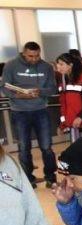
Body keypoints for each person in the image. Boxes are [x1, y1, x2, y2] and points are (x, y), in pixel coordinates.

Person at [2, 42, 57, 188]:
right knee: (24, 147)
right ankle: (28, 179)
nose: (34, 59)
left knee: (46, 147)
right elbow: (4, 88)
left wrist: (41, 92)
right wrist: (18, 95)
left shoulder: (46, 67)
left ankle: (51, 177)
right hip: (19, 112)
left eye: (37, 55)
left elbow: (53, 88)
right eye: (30, 56)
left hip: (41, 110)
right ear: (23, 53)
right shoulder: (11, 66)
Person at [54, 52, 82, 142]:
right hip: (72, 125)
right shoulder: (62, 82)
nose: (58, 67)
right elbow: (64, 105)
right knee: (77, 153)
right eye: (57, 64)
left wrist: (80, 117)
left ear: (70, 65)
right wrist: (62, 124)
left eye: (61, 64)